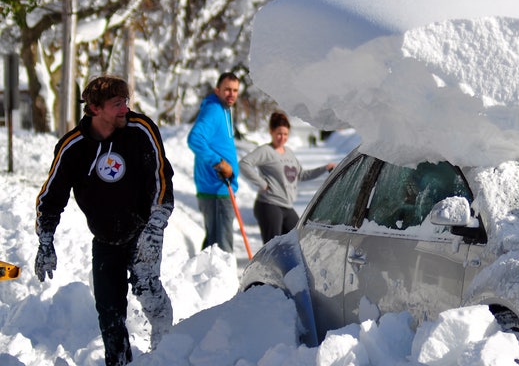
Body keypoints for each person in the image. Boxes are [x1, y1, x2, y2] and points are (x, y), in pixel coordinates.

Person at [34, 75, 174, 366]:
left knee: (147, 288)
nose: (125, 108)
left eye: (126, 101)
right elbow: (51, 195)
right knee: (109, 313)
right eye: (117, 104)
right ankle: (119, 362)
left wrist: (156, 225)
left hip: (142, 231)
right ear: (95, 108)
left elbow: (162, 177)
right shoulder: (73, 147)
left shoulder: (141, 129)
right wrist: (45, 239)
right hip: (105, 239)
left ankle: (167, 347)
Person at [239, 111, 335, 243]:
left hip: (287, 206)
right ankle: (268, 265)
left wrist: (324, 168)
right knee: (273, 247)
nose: (282, 137)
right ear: (271, 132)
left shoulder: (289, 153)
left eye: (285, 134)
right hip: (269, 205)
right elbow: (244, 164)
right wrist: (262, 184)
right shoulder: (266, 151)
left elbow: (301, 175)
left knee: (298, 239)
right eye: (279, 133)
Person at [187, 72, 240, 252]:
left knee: (214, 243)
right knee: (221, 247)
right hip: (216, 188)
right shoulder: (214, 110)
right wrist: (218, 162)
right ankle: (221, 280)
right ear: (217, 90)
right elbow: (195, 138)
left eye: (235, 90)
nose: (231, 94)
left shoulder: (224, 109)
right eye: (227, 90)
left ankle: (209, 279)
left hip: (221, 188)